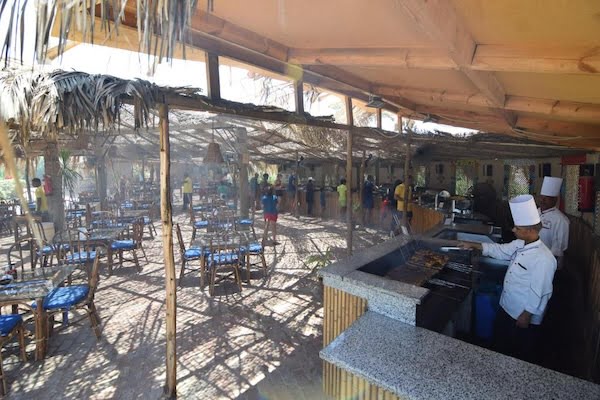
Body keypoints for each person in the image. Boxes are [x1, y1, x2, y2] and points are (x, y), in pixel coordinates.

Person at [461, 194, 557, 362]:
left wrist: (526, 315)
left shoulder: (544, 258)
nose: (513, 230)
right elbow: (500, 250)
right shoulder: (520, 244)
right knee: (499, 347)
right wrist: (474, 245)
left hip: (521, 315)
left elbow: (540, 290)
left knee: (517, 356)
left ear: (530, 230)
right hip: (506, 305)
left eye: (517, 228)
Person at [538, 176, 569, 269]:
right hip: (532, 256)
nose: (542, 201)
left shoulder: (561, 220)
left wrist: (548, 262)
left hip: (548, 260)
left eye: (546, 198)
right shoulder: (535, 212)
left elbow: (559, 247)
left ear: (555, 200)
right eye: (541, 197)